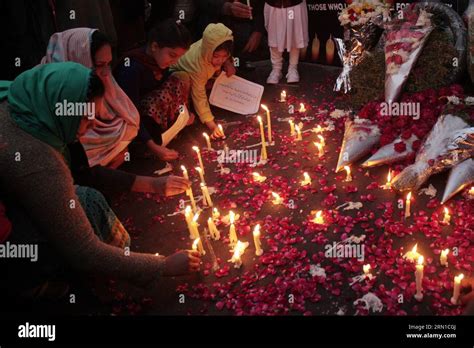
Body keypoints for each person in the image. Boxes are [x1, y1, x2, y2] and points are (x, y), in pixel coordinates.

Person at [0, 62, 200, 299]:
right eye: (86, 118)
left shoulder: (26, 103)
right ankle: (29, 284)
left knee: (85, 198)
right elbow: (83, 250)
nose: (94, 124)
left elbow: (84, 171)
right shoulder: (37, 159)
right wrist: (162, 266)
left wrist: (153, 185)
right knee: (87, 204)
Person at [40, 28, 140, 169]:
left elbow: (126, 116)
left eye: (108, 64)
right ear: (77, 60)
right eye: (99, 65)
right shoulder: (54, 91)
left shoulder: (102, 79)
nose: (106, 73)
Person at [115, 19, 193, 161]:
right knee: (156, 100)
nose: (174, 61)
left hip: (150, 114)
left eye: (179, 57)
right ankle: (147, 147)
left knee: (181, 77)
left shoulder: (156, 60)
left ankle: (170, 130)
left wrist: (186, 110)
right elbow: (130, 112)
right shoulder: (131, 69)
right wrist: (152, 146)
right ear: (154, 46)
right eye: (172, 55)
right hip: (131, 122)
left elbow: (164, 83)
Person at [172, 23, 235, 139]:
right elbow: (199, 96)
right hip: (176, 77)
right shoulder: (198, 67)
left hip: (203, 76)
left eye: (224, 56)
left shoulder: (212, 46)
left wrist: (228, 62)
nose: (220, 60)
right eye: (216, 57)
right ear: (208, 51)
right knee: (184, 80)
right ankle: (181, 118)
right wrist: (212, 125)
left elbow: (222, 54)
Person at [264, 0, 309, 84]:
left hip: (293, 5)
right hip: (274, 5)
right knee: (274, 36)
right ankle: (276, 69)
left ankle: (293, 68)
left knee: (294, 34)